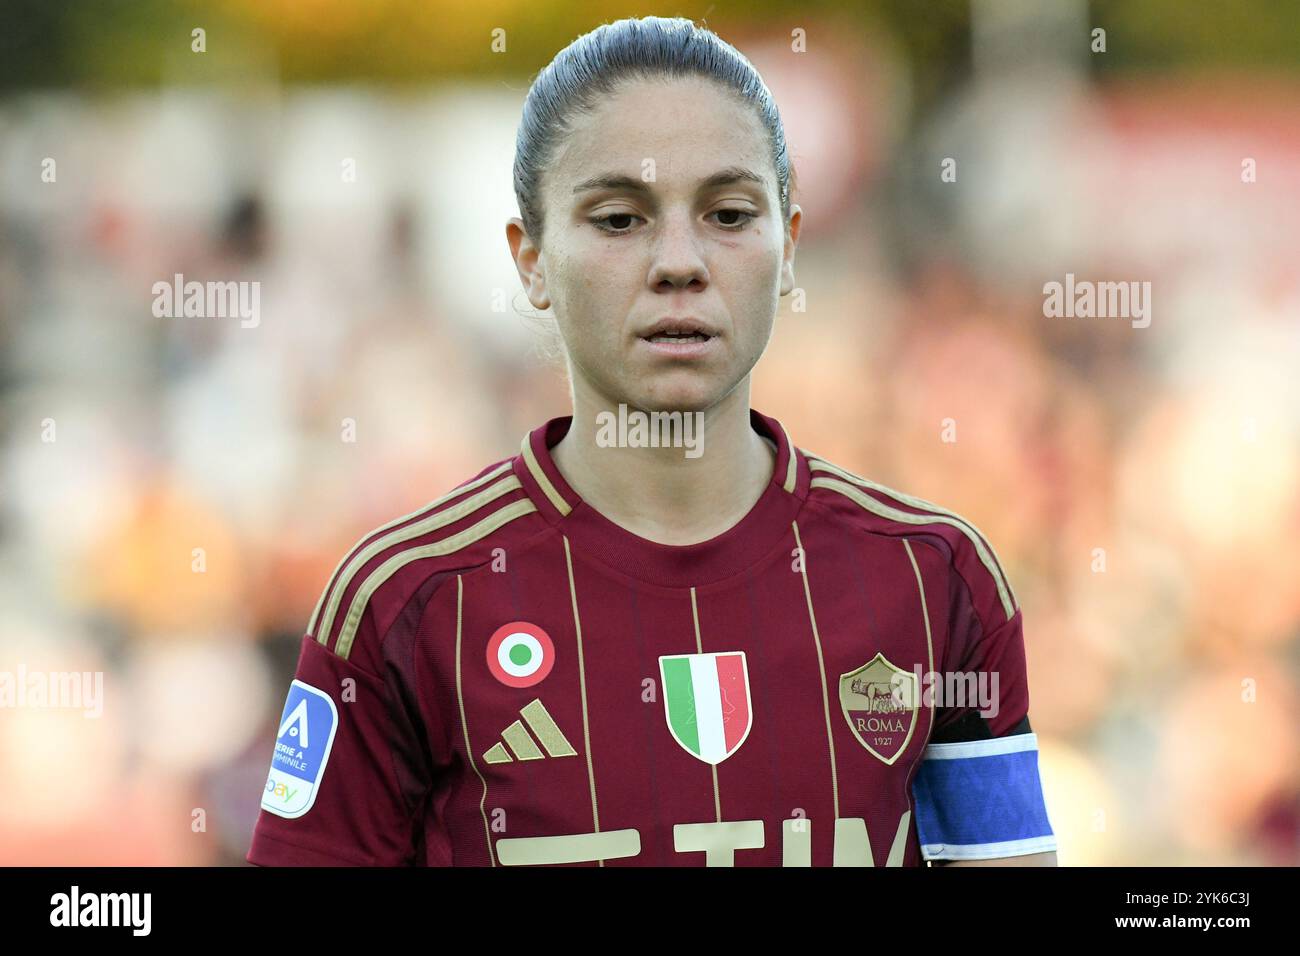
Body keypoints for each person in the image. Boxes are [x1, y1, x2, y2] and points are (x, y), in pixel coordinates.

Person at [247, 15, 1056, 867]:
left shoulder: (935, 579)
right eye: (620, 219)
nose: (679, 260)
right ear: (530, 261)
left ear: (788, 249)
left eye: (730, 212)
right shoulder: (404, 603)